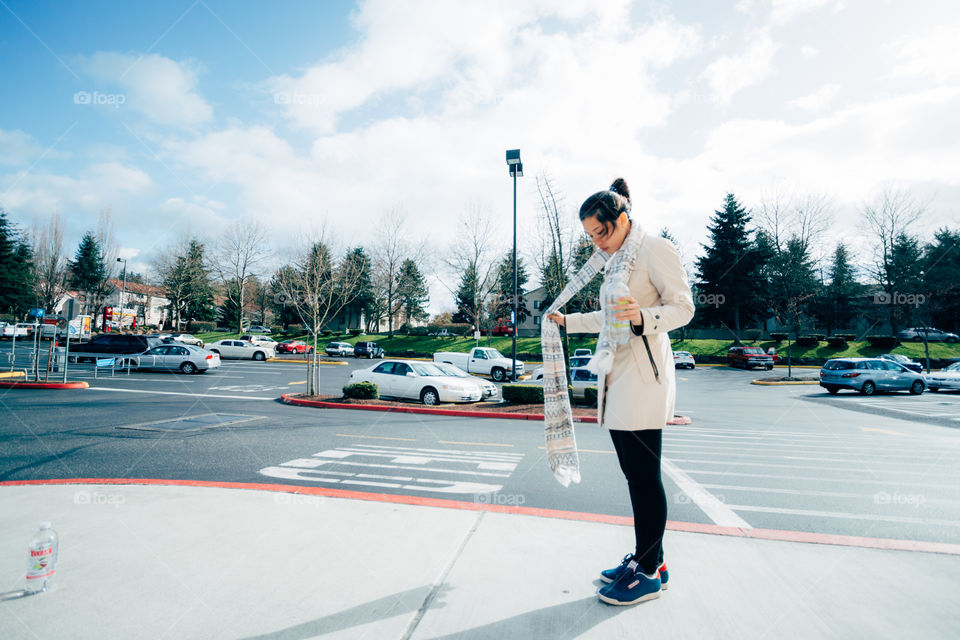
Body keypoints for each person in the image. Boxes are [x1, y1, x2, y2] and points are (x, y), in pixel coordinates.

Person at [547, 177, 694, 606]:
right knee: (634, 476)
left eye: (603, 231)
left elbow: (684, 308)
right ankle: (654, 560)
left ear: (623, 218)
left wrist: (643, 317)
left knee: (645, 478)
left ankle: (646, 573)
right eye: (591, 236)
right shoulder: (615, 261)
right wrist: (568, 322)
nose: (599, 242)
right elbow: (611, 317)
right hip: (616, 376)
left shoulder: (655, 249)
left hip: (645, 379)